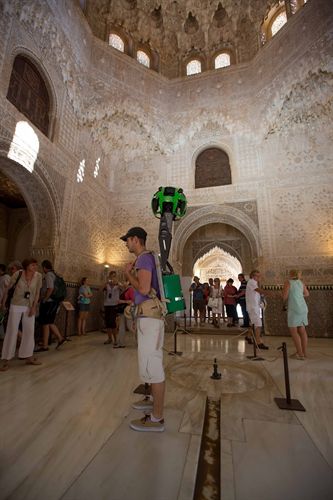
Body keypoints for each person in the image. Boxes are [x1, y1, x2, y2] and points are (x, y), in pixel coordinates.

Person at [121, 226, 165, 432]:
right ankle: (151, 403)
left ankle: (157, 418)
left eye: (127, 240)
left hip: (151, 319)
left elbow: (144, 289)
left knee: (153, 366)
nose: (126, 244)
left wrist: (128, 274)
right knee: (148, 362)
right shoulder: (146, 259)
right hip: (147, 317)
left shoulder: (144, 259)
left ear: (135, 240)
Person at [0, 258, 42, 371]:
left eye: (36, 265)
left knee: (29, 330)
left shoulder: (38, 276)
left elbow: (37, 292)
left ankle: (28, 356)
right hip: (16, 304)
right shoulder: (18, 274)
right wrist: (3, 303)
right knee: (12, 330)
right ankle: (6, 359)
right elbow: (7, 289)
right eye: (33, 265)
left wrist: (34, 307)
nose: (35, 267)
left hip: (29, 306)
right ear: (27, 266)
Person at [35, 260, 67, 352]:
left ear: (44, 267)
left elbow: (50, 288)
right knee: (49, 322)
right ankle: (60, 338)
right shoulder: (55, 274)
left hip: (49, 302)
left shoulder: (49, 275)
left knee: (45, 323)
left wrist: (44, 299)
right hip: (54, 302)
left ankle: (45, 346)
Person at [282, 269, 309, 360]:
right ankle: (303, 353)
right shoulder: (301, 283)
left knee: (294, 331)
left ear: (290, 274)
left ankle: (300, 354)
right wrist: (299, 296)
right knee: (302, 330)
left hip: (294, 309)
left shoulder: (288, 282)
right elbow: (307, 294)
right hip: (303, 308)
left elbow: (284, 297)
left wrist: (283, 295)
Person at [245, 270, 269, 349]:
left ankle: (248, 336)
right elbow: (259, 290)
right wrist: (270, 293)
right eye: (257, 276)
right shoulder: (251, 282)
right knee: (258, 324)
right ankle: (258, 342)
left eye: (259, 276)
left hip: (254, 306)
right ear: (252, 276)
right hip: (252, 307)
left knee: (253, 323)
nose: (259, 277)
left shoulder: (254, 283)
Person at [103, 272, 121, 346]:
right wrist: (106, 282)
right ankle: (109, 338)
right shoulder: (107, 285)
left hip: (114, 305)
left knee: (113, 322)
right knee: (107, 322)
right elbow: (100, 289)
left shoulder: (118, 285)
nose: (112, 278)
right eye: (111, 276)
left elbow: (123, 287)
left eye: (114, 276)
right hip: (107, 304)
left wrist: (117, 283)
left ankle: (115, 339)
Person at [117, 281, 135, 348]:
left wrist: (122, 301)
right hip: (122, 310)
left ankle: (141, 339)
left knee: (130, 327)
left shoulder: (130, 289)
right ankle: (121, 343)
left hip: (128, 310)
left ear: (128, 282)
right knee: (121, 327)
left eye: (125, 281)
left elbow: (133, 301)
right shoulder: (124, 290)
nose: (123, 282)